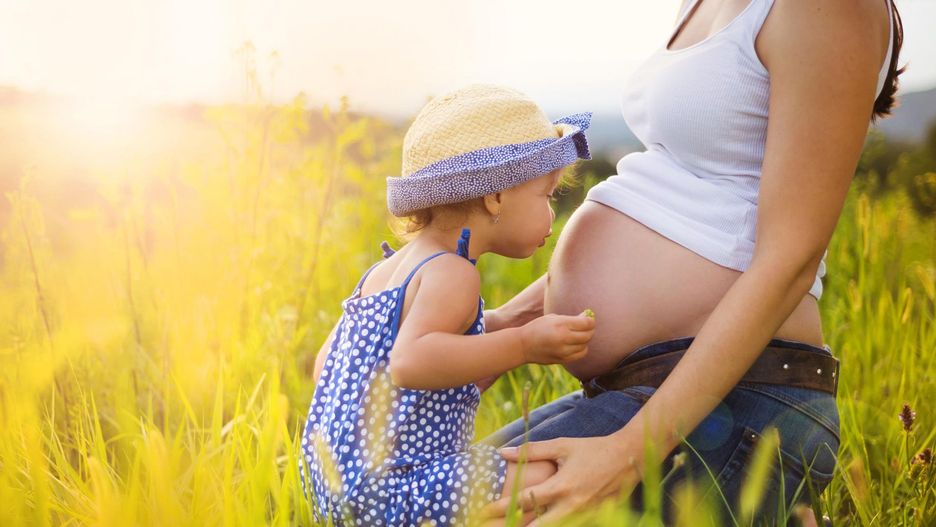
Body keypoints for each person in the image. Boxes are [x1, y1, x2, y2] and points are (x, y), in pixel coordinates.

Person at [479, 0, 904, 525]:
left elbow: (791, 257)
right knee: (412, 499)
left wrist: (630, 452)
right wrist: (501, 329)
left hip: (735, 400)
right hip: (649, 391)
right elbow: (679, 210)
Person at [299, 84, 598, 526]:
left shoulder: (388, 271)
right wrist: (524, 345)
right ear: (495, 196)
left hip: (335, 488)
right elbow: (411, 360)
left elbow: (330, 362)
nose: (552, 213)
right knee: (546, 476)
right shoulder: (455, 272)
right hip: (395, 494)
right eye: (547, 196)